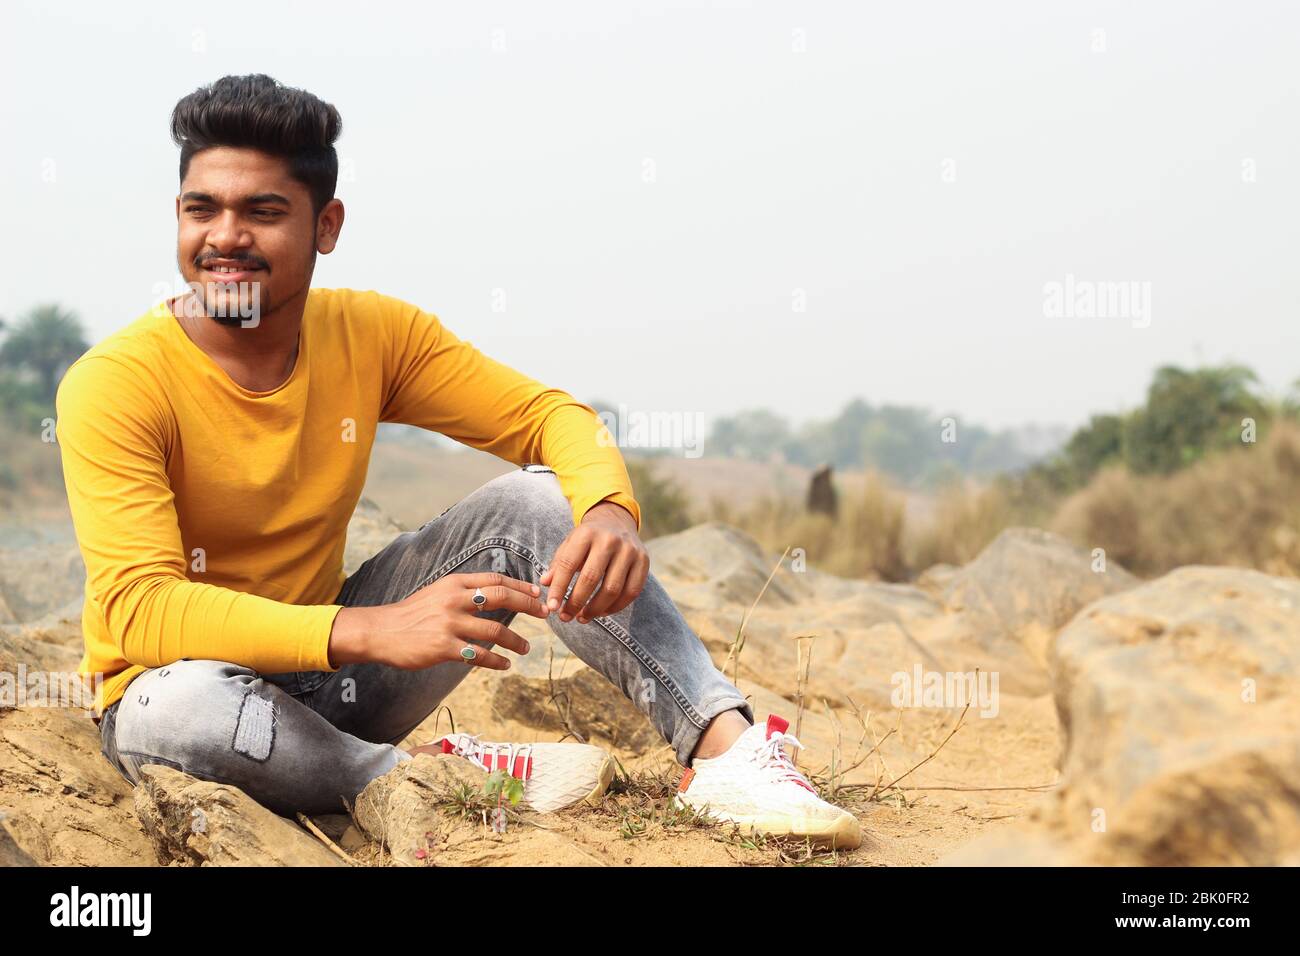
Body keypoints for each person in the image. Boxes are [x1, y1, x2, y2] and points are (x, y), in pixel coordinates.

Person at [55, 74, 860, 850]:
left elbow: (548, 417)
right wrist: (371, 627)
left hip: (337, 688)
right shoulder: (115, 383)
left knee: (541, 501)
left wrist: (612, 509)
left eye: (262, 211)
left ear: (326, 226)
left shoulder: (371, 334)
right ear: (179, 216)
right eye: (204, 209)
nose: (225, 237)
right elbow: (140, 610)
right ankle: (424, 777)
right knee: (175, 710)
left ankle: (724, 750)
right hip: (195, 699)